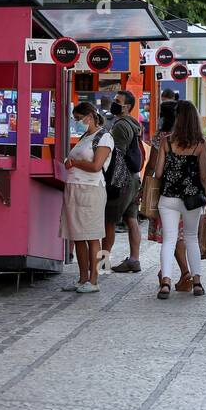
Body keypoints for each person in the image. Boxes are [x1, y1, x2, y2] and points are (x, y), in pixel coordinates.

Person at [152, 102, 206, 299]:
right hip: (192, 199)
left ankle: (166, 283)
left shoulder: (166, 142)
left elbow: (158, 173)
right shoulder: (200, 144)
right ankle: (197, 282)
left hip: (168, 197)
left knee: (169, 240)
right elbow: (204, 177)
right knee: (191, 238)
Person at [61, 102, 113, 294]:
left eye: (78, 118)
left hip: (91, 190)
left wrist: (74, 162)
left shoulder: (104, 137)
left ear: (89, 116)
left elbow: (96, 165)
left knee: (92, 236)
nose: (77, 122)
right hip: (74, 189)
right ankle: (82, 278)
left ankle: (94, 279)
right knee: (78, 236)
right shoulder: (85, 136)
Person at [105, 90, 144, 274]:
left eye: (117, 101)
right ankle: (134, 259)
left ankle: (101, 263)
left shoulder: (120, 126)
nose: (114, 103)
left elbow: (116, 156)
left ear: (126, 107)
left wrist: (111, 182)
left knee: (109, 220)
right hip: (134, 178)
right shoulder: (134, 124)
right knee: (131, 218)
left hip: (122, 178)